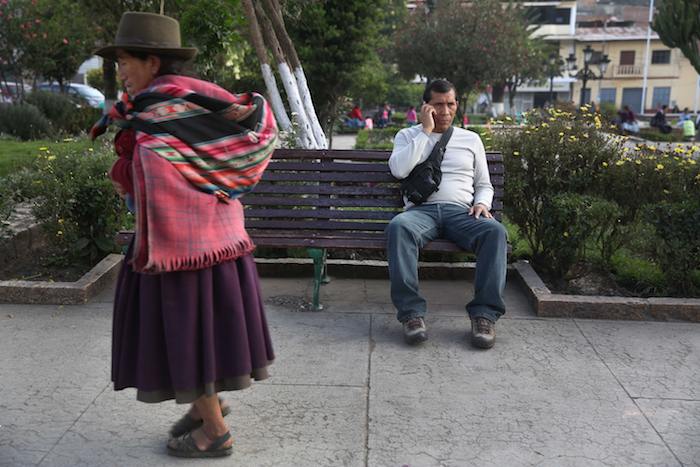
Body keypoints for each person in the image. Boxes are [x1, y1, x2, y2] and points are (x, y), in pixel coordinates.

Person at [91, 12, 277, 458]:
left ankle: (214, 432)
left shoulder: (160, 111)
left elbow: (151, 174)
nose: (120, 71)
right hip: (214, 244)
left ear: (152, 62)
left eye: (125, 61)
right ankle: (203, 409)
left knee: (187, 336)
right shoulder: (198, 101)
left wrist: (122, 170)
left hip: (184, 249)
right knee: (191, 334)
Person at [386, 79, 507, 349]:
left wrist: (483, 203)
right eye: (438, 105)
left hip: (461, 213)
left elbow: (484, 184)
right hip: (421, 212)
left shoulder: (471, 139)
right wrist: (425, 132)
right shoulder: (408, 136)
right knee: (398, 227)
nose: (445, 110)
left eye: (450, 104)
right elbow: (399, 170)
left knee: (495, 232)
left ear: (456, 105)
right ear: (426, 106)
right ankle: (411, 315)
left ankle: (484, 315)